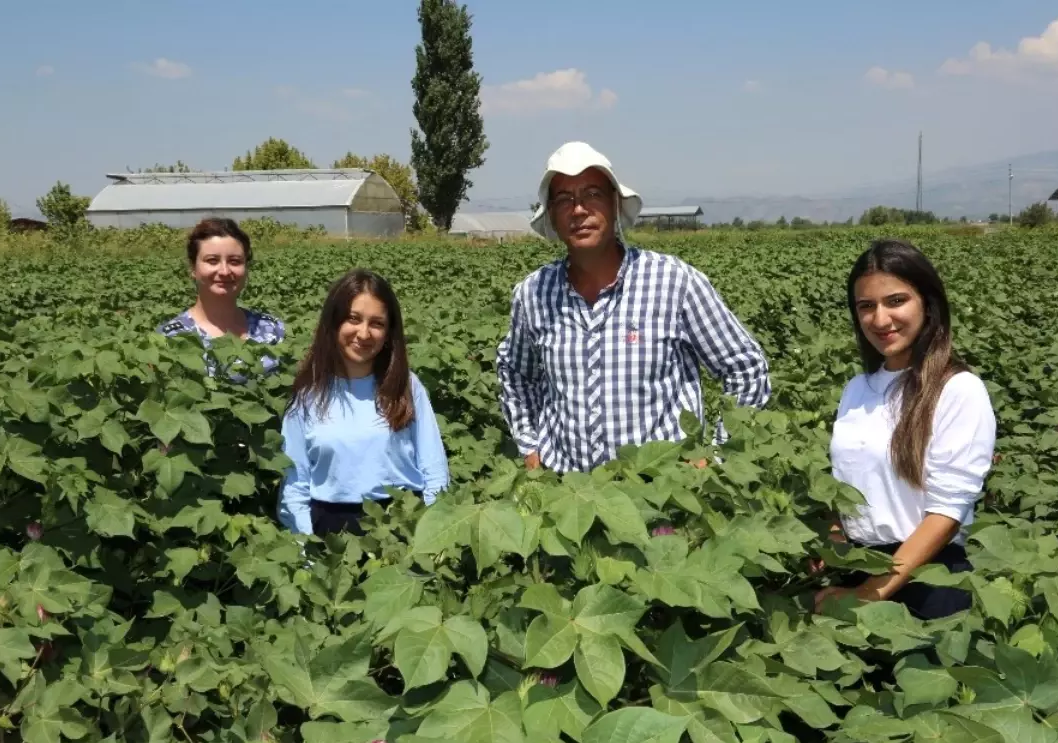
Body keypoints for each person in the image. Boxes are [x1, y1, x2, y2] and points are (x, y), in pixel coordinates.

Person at [496, 141, 771, 473]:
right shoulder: (533, 294)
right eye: (565, 199)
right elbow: (515, 373)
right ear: (552, 216)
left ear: (614, 205)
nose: (579, 210)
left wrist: (716, 454)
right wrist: (530, 446)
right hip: (568, 495)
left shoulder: (674, 282)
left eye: (592, 194)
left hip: (663, 494)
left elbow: (746, 369)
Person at [815, 239, 996, 620]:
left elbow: (945, 515)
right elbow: (848, 481)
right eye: (866, 306)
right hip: (859, 566)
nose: (880, 320)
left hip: (927, 579)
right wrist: (833, 541)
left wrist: (870, 593)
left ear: (928, 304)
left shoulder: (957, 389)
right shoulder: (857, 388)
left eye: (896, 301)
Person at [277, 269, 450, 536]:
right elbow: (295, 484)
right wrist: (305, 546)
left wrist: (432, 535)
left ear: (389, 331)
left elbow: (434, 469)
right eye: (353, 319)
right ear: (333, 322)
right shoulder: (308, 393)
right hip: (330, 529)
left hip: (402, 523)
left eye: (377, 323)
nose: (364, 333)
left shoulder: (406, 386)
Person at [157, 217, 285, 378]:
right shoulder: (171, 338)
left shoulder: (272, 330)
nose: (224, 271)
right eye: (212, 260)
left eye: (235, 261)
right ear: (193, 268)